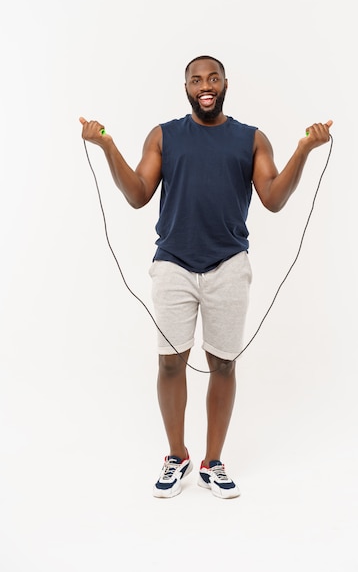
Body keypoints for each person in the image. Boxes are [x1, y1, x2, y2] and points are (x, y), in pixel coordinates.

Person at [80, 55, 332, 499]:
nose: (205, 85)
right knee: (170, 361)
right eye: (196, 79)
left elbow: (273, 198)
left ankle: (212, 462)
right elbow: (138, 194)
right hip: (173, 262)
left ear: (225, 84)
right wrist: (106, 146)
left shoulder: (251, 139)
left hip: (229, 265)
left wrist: (304, 151)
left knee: (223, 363)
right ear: (186, 89)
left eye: (212, 77)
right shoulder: (165, 135)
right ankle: (176, 455)